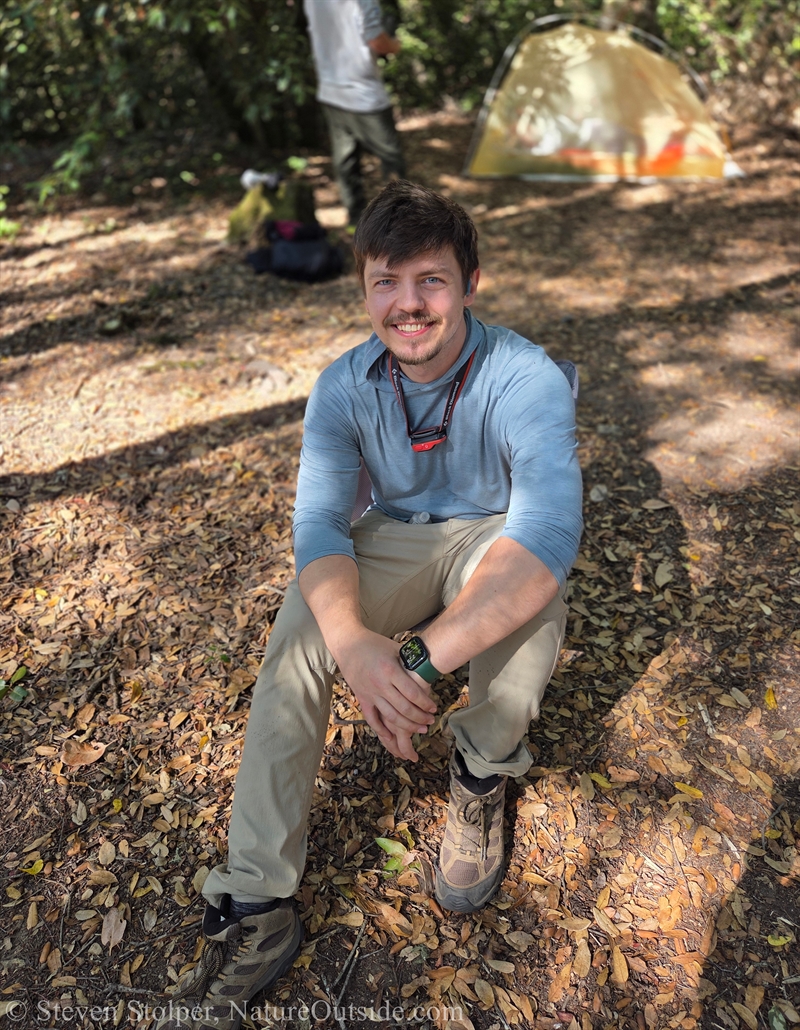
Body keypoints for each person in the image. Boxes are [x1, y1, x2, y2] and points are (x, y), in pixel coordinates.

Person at [154, 181, 583, 1030]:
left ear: (470, 283)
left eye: (430, 279)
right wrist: (354, 645)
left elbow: (544, 541)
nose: (408, 304)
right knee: (301, 636)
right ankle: (257, 899)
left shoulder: (525, 376)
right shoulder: (344, 385)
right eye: (385, 281)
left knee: (530, 618)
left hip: (497, 531)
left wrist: (412, 665)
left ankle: (481, 773)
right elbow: (317, 521)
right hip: (397, 531)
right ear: (364, 290)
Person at [303, 0, 406, 230]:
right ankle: (401, 222)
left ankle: (355, 221)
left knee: (346, 160)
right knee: (391, 157)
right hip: (364, 94)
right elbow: (378, 41)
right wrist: (395, 45)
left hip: (330, 90)